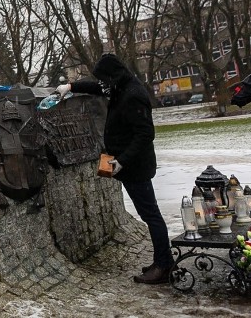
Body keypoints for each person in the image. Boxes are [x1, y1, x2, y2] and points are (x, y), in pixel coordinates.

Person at [57, 53, 172, 285]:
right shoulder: (120, 85)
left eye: (105, 78)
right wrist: (70, 86)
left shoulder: (133, 95)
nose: (103, 83)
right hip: (129, 165)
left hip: (135, 167)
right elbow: (97, 87)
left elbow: (145, 134)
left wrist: (122, 161)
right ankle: (162, 259)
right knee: (149, 213)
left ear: (114, 75)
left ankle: (164, 266)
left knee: (151, 215)